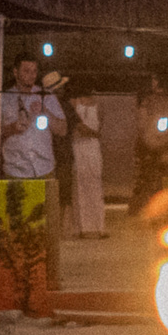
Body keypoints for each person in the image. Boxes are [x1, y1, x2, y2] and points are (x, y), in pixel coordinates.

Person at [1, 57, 67, 180]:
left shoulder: (46, 95)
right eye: (27, 71)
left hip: (45, 169)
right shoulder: (4, 98)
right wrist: (12, 128)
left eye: (34, 71)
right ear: (16, 72)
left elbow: (62, 130)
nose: (32, 75)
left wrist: (45, 111)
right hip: (15, 171)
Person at [69, 95, 107, 237]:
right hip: (82, 145)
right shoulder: (76, 102)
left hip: (89, 146)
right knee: (83, 185)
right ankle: (88, 227)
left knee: (91, 184)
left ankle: (93, 226)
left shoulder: (96, 103)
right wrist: (94, 134)